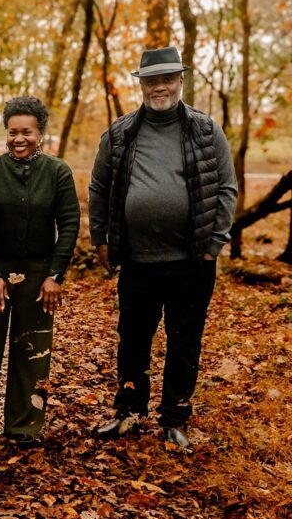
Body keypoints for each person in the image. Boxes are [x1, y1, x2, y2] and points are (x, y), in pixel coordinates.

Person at [89, 46, 237, 450]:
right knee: (133, 338)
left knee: (184, 341)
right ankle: (128, 412)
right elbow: (99, 187)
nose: (160, 86)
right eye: (152, 79)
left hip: (192, 261)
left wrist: (214, 244)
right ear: (141, 83)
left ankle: (175, 418)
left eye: (168, 78)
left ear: (181, 82)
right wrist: (100, 237)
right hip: (138, 261)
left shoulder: (206, 130)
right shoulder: (120, 134)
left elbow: (226, 188)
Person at [0, 96, 80, 447]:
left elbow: (70, 224)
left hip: (40, 275)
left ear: (40, 133)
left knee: (32, 350)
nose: (19, 138)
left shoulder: (58, 171)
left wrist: (55, 275)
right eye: (13, 132)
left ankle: (23, 425)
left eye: (26, 131)